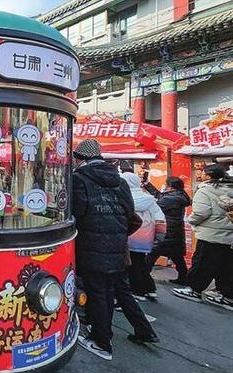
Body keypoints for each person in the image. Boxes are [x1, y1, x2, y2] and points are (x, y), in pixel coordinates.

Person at [72, 140, 157, 360]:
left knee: (98, 293)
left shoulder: (79, 179)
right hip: (119, 248)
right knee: (114, 291)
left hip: (91, 247)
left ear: (80, 158)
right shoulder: (120, 182)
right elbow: (131, 216)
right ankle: (140, 330)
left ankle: (102, 342)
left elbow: (77, 213)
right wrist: (117, 235)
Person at [173, 164, 233, 310]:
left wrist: (190, 220)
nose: (200, 175)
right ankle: (228, 296)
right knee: (226, 267)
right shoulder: (231, 188)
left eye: (203, 173)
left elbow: (201, 213)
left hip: (211, 234)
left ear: (209, 176)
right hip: (229, 235)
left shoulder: (205, 190)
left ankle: (194, 290)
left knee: (202, 264)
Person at [121, 172, 166, 300]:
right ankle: (149, 288)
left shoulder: (125, 198)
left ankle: (136, 290)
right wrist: (160, 236)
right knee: (140, 262)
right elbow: (159, 217)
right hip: (146, 237)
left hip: (128, 235)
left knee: (130, 264)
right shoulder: (149, 199)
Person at [144, 176, 192, 285]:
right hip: (175, 231)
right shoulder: (179, 195)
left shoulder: (170, 198)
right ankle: (183, 278)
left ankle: (144, 277)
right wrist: (148, 185)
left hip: (166, 230)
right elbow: (160, 196)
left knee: (152, 254)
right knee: (177, 256)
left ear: (171, 187)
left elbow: (155, 207)